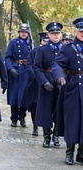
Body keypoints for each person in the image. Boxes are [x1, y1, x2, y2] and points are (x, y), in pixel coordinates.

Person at [52, 17, 83, 166]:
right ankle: (69, 152)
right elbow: (57, 64)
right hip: (72, 88)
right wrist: (59, 76)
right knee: (72, 120)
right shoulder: (68, 48)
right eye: (81, 31)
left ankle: (81, 153)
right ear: (76, 31)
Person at [33, 22, 63, 148]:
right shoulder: (42, 49)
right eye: (53, 33)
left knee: (59, 110)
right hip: (47, 80)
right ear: (49, 35)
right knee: (45, 110)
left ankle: (56, 134)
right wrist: (43, 81)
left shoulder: (66, 49)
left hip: (62, 82)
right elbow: (36, 67)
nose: (55, 36)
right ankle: (46, 136)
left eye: (57, 33)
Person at [5, 23, 34, 128]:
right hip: (16, 70)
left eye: (25, 32)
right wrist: (10, 68)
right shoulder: (13, 43)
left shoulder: (32, 43)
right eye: (22, 32)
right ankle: (14, 118)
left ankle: (22, 116)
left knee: (25, 96)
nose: (24, 34)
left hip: (27, 71)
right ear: (19, 32)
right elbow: (7, 57)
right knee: (14, 95)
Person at [26, 32, 49, 136]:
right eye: (44, 41)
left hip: (48, 81)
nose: (45, 43)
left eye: (47, 41)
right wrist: (36, 77)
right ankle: (35, 127)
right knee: (34, 105)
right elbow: (30, 66)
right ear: (41, 41)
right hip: (36, 83)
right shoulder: (34, 52)